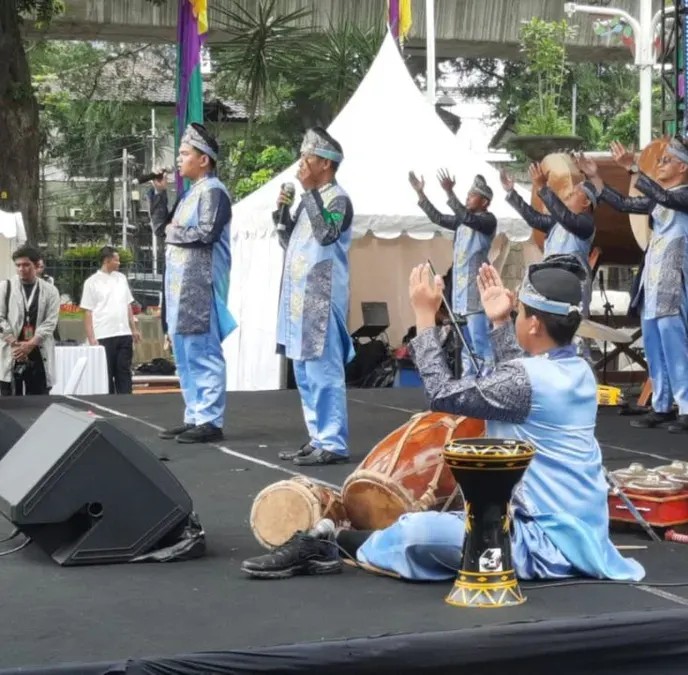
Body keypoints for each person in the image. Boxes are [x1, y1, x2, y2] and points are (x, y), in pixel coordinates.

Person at [241, 256, 645, 583]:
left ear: (535, 324)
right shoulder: (575, 369)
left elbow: (441, 395)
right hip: (582, 531)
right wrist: (503, 322)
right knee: (446, 525)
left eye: (522, 312)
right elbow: (518, 378)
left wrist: (424, 317)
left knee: (419, 532)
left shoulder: (526, 380)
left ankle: (332, 542)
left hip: (540, 539)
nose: (518, 316)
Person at [583, 138, 688, 433]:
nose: (660, 164)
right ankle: (661, 405)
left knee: (674, 343)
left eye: (665, 160)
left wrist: (635, 170)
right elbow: (626, 203)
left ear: (683, 166)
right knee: (653, 344)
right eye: (660, 160)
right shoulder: (661, 196)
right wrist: (596, 178)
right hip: (652, 279)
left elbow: (664, 197)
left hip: (673, 278)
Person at [149, 123, 236, 444]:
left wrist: (173, 231)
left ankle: (211, 419)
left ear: (204, 160)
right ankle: (195, 415)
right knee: (185, 354)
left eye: (185, 153)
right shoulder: (189, 195)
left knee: (203, 352)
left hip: (201, 286)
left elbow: (206, 232)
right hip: (180, 290)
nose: (179, 159)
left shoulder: (214, 191)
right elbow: (162, 229)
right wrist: (159, 192)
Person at [274, 128, 355, 466]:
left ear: (325, 163)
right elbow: (289, 242)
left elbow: (325, 235)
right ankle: (318, 436)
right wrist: (281, 214)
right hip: (299, 300)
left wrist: (308, 194)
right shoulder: (313, 199)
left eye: (308, 158)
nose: (302, 164)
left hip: (322, 297)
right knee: (305, 373)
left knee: (323, 372)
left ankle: (334, 441)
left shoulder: (338, 199)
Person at [410, 170, 496, 377]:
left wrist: (450, 193)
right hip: (459, 296)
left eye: (472, 195)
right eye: (467, 194)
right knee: (466, 346)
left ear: (484, 202)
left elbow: (466, 217)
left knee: (479, 343)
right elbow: (438, 217)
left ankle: (489, 383)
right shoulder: (462, 222)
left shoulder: (487, 220)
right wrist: (421, 194)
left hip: (475, 295)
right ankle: (469, 384)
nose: (467, 198)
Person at [501, 163, 597, 321]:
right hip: (551, 285)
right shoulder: (557, 222)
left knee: (572, 335)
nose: (567, 196)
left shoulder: (587, 223)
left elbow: (566, 218)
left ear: (586, 203)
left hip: (571, 288)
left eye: (573, 194)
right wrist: (511, 192)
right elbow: (534, 218)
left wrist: (543, 188)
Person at [80, 246, 141, 394]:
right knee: (106, 373)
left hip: (123, 333)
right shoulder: (92, 282)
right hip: (104, 334)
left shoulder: (121, 278)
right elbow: (88, 311)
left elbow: (127, 305)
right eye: (116, 260)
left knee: (124, 371)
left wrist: (133, 329)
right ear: (107, 261)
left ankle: (126, 402)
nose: (119, 263)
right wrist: (92, 338)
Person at [0, 246, 60, 396]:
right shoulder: (5, 287)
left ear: (36, 265)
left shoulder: (50, 290)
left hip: (38, 349)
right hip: (12, 349)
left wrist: (31, 344)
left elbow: (50, 321)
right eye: (18, 265)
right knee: (10, 399)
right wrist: (15, 343)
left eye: (26, 265)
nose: (22, 269)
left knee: (39, 399)